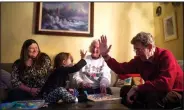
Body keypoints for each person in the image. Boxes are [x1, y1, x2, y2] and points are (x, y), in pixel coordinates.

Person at [98, 32, 183, 109]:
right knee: (125, 90)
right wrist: (106, 56)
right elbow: (121, 68)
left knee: (153, 96)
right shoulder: (140, 60)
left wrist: (138, 88)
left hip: (175, 92)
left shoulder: (166, 56)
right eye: (135, 50)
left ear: (149, 47)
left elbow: (165, 84)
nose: (136, 53)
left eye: (138, 49)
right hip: (153, 90)